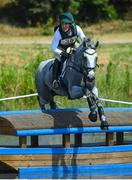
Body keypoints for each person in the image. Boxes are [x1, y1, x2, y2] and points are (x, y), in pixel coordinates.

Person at [51, 12, 86, 89]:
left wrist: (88, 43)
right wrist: (62, 53)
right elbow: (53, 47)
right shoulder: (58, 33)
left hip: (73, 46)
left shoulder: (77, 29)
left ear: (70, 24)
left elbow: (84, 39)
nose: (64, 26)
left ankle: (86, 75)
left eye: (66, 24)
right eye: (62, 24)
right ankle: (55, 80)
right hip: (61, 48)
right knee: (59, 59)